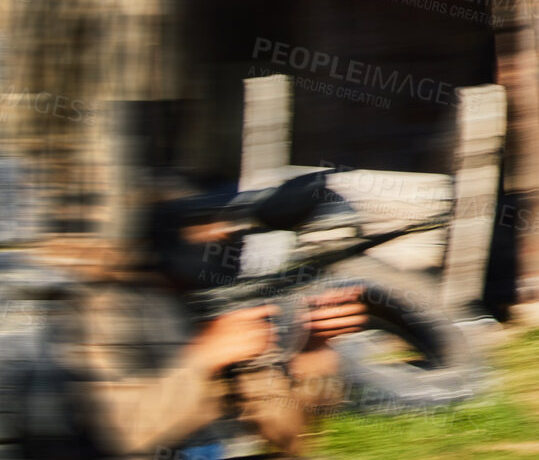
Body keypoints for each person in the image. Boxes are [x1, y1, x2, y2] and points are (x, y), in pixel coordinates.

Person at [32, 185, 366, 458]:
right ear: (166, 237)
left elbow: (290, 439)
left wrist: (312, 355)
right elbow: (122, 434)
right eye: (207, 226)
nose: (224, 237)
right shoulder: (104, 310)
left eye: (230, 226)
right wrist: (204, 358)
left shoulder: (225, 301)